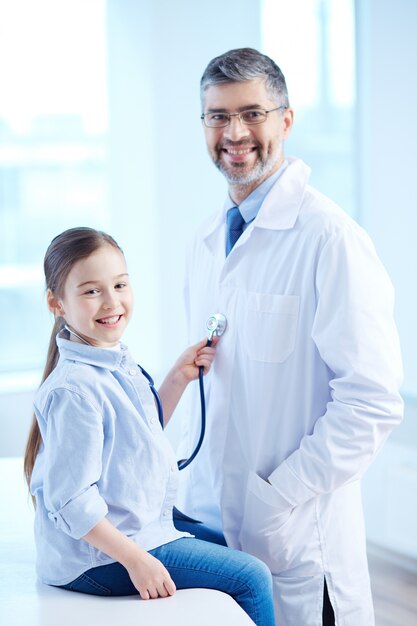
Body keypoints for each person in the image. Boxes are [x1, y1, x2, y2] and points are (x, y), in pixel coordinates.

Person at [176, 48, 404, 626]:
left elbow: (372, 402)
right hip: (211, 533)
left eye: (251, 113)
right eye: (217, 116)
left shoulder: (330, 239)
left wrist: (276, 497)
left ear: (286, 120)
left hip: (297, 543)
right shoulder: (206, 242)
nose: (234, 133)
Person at [23, 226, 275, 626]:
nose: (112, 301)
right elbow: (71, 503)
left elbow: (137, 434)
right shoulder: (75, 389)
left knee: (231, 541)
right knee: (251, 576)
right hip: (95, 560)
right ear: (56, 303)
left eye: (120, 284)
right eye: (91, 291)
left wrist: (176, 378)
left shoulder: (113, 362)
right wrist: (136, 560)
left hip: (133, 532)